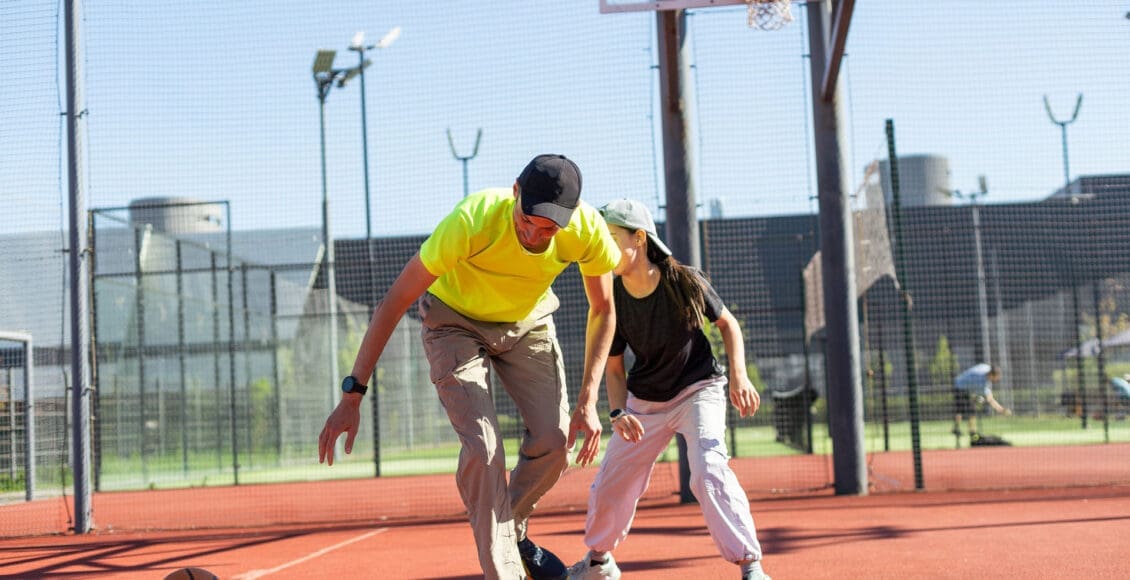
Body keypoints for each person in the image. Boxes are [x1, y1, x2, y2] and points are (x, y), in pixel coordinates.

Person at [318, 154, 621, 580]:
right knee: (484, 450)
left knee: (555, 444)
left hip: (527, 323)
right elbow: (394, 301)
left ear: (570, 218)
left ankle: (506, 525)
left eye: (549, 228)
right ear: (515, 193)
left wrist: (588, 400)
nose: (534, 234)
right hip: (453, 323)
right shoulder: (473, 219)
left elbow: (604, 309)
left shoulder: (587, 231)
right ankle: (506, 570)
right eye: (528, 219)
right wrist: (352, 394)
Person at [566, 199, 770, 580]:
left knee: (708, 468)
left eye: (611, 238)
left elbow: (728, 325)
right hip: (645, 404)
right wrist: (617, 412)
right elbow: (613, 365)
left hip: (699, 390)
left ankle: (750, 566)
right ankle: (599, 562)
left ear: (639, 239)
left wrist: (740, 376)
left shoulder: (684, 280)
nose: (603, 249)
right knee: (613, 479)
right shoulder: (610, 297)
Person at [952, 363, 1011, 443]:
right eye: (996, 377)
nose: (997, 379)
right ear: (991, 375)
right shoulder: (981, 382)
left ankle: (966, 431)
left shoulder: (986, 368)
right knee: (967, 410)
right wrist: (1001, 410)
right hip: (959, 387)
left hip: (964, 386)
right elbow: (990, 399)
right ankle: (966, 432)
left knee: (967, 411)